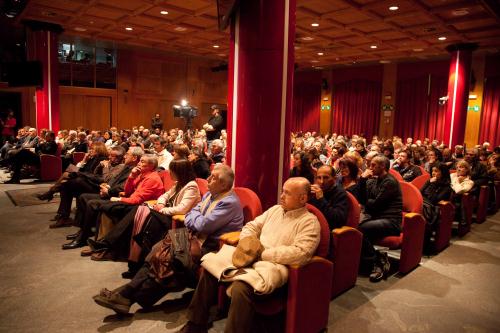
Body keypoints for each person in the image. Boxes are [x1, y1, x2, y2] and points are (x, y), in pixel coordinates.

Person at [92, 164, 244, 314]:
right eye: (210, 175)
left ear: (223, 184)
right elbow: (193, 213)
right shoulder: (212, 194)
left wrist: (193, 217)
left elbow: (202, 225)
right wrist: (194, 217)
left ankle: (125, 296)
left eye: (213, 178)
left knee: (168, 261)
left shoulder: (228, 202)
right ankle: (125, 296)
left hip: (211, 246)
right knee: (159, 251)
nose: (208, 179)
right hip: (193, 238)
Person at [176, 177, 320, 333]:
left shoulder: (309, 222)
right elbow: (251, 226)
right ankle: (195, 324)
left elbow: (301, 253)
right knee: (211, 268)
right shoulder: (275, 210)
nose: (281, 196)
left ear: (303, 198)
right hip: (250, 257)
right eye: (282, 191)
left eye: (287, 193)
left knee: (241, 287)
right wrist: (248, 245)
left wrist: (263, 254)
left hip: (272, 268)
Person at [82, 159, 202, 274]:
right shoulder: (179, 184)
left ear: (180, 172)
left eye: (172, 170)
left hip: (176, 221)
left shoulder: (191, 186)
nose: (169, 173)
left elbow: (182, 209)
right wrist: (160, 203)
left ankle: (110, 247)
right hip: (165, 214)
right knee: (139, 214)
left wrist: (162, 209)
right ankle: (123, 255)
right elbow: (164, 196)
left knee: (141, 213)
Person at [62, 147, 143, 248]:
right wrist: (107, 186)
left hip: (119, 196)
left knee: (89, 200)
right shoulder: (127, 166)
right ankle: (83, 230)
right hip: (110, 190)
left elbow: (124, 186)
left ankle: (82, 237)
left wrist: (108, 191)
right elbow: (114, 180)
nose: (125, 156)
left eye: (127, 154)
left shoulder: (135, 169)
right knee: (83, 196)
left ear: (134, 158)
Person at [358, 155, 402, 282]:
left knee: (361, 229)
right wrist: (362, 180)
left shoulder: (390, 182)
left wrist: (367, 202)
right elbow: (363, 199)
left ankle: (377, 261)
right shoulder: (375, 180)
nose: (369, 167)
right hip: (376, 218)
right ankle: (375, 257)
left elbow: (374, 205)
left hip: (391, 221)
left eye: (372, 165)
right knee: (353, 228)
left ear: (382, 166)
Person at [420, 163, 452, 252]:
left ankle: (422, 242)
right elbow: (419, 193)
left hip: (434, 209)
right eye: (432, 171)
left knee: (422, 212)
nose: (433, 173)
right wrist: (428, 183)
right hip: (423, 204)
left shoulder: (447, 187)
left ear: (443, 173)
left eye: (436, 171)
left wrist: (432, 185)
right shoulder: (430, 181)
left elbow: (434, 200)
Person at [309, 165, 348, 229]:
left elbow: (338, 220)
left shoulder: (340, 193)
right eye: (319, 178)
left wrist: (321, 199)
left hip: (327, 229)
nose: (321, 182)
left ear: (335, 179)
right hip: (312, 223)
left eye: (326, 178)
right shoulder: (315, 191)